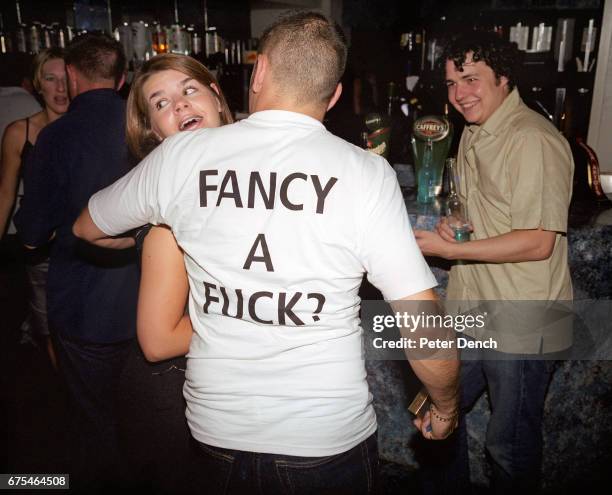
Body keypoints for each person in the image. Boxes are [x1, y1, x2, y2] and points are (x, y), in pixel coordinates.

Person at [74, 12, 459, 493]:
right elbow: (423, 321)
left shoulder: (179, 157)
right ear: (334, 95)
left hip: (216, 434)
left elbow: (86, 227)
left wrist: (164, 224)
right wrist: (444, 407)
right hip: (324, 436)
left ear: (257, 72)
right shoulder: (366, 173)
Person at [414, 31, 574, 493]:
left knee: (510, 447)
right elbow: (479, 211)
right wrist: (455, 226)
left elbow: (538, 241)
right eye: (451, 83)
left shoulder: (533, 139)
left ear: (504, 78)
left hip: (524, 318)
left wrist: (451, 250)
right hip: (474, 310)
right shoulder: (472, 133)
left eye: (471, 79)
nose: (459, 93)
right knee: (433, 410)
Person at [14, 33, 139, 491]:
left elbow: (31, 230)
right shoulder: (145, 124)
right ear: (123, 78)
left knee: (94, 419)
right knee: (142, 416)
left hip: (83, 307)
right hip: (148, 306)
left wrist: (31, 245)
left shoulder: (55, 136)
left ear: (70, 74)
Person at [117, 53, 233, 493]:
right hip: (172, 394)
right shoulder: (169, 215)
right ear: (152, 129)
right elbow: (159, 341)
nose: (180, 106)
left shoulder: (251, 179)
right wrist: (260, 310)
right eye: (161, 103)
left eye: (189, 90)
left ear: (217, 98)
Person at [1, 48, 69, 364]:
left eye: (66, 78)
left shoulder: (85, 129)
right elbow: (5, 193)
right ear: (36, 85)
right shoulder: (20, 132)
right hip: (40, 245)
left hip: (85, 244)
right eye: (50, 79)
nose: (60, 88)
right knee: (48, 327)